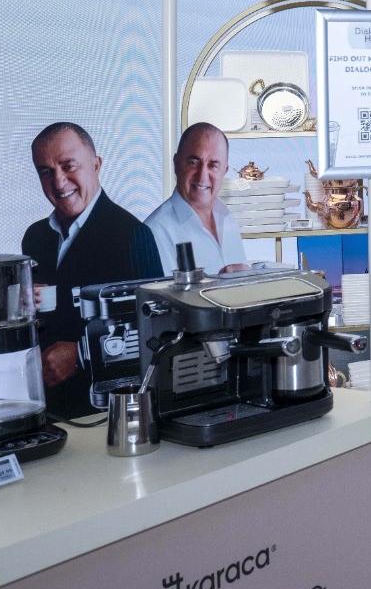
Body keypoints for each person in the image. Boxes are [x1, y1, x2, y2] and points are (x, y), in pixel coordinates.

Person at [21, 122, 162, 419]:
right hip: (44, 408)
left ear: (96, 165)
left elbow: (158, 332)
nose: (59, 182)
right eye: (46, 171)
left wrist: (79, 355)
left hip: (107, 414)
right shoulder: (35, 237)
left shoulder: (132, 235)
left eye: (68, 166)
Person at [146, 122, 249, 276]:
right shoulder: (154, 233)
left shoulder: (227, 216)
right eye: (194, 163)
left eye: (213, 165)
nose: (202, 176)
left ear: (224, 171)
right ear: (176, 164)